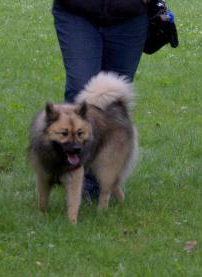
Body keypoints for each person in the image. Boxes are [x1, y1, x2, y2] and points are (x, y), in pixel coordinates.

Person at [52, 0, 149, 199]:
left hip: (129, 15)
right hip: (77, 10)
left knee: (113, 103)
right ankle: (80, 181)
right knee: (81, 94)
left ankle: (105, 180)